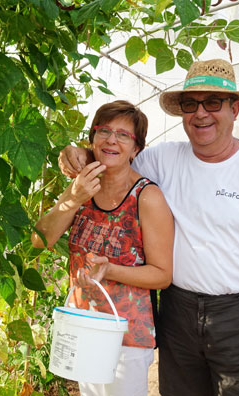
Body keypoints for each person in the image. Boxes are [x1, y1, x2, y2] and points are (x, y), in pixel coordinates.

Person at [58, 59, 239, 395]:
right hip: (178, 312)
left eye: (213, 103)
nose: (201, 114)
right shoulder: (163, 159)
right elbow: (115, 159)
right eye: (191, 104)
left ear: (235, 109)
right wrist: (78, 154)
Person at [32, 100, 174, 396]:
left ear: (136, 149)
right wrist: (72, 198)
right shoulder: (82, 188)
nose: (112, 140)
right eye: (104, 131)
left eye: (124, 135)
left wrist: (110, 270)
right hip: (83, 324)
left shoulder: (147, 197)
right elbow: (39, 241)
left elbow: (162, 275)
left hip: (127, 335)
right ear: (92, 140)